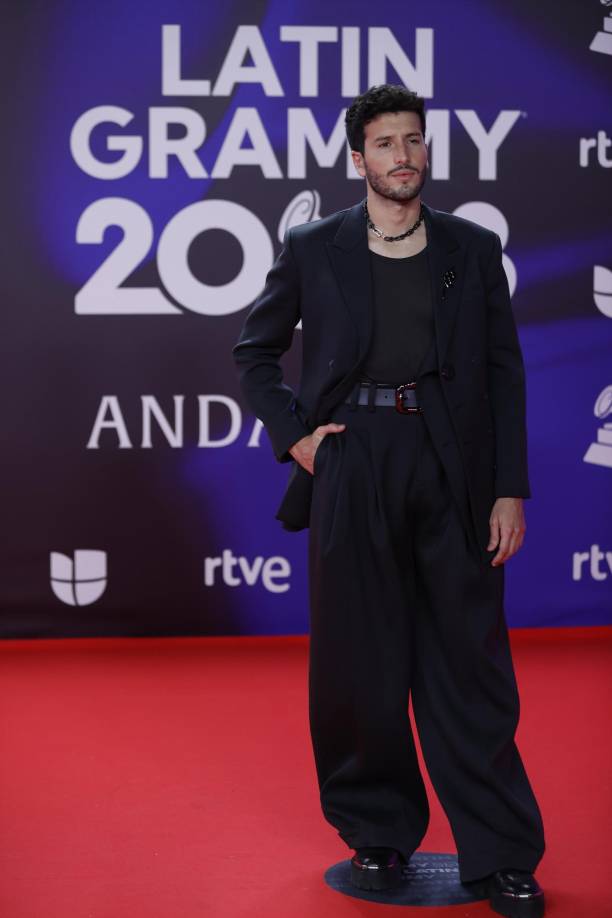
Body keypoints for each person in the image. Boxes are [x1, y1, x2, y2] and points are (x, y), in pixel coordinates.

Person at [233, 84, 546, 918]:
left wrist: (508, 488)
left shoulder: (473, 249)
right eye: (385, 143)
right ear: (357, 158)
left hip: (453, 467)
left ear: (427, 152)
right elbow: (254, 352)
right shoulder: (313, 247)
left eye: (414, 140)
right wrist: (297, 438)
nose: (402, 155)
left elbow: (504, 378)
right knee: (357, 663)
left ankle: (505, 854)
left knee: (469, 664)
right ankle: (377, 830)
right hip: (353, 462)